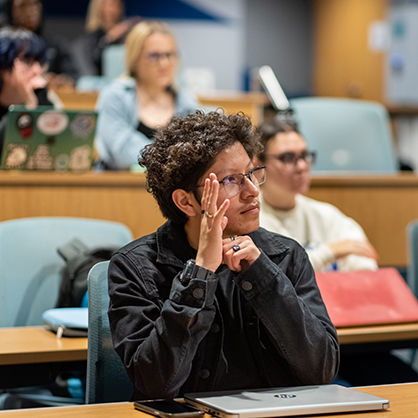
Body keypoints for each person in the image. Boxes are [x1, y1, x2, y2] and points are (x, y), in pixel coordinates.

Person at [107, 111, 339, 400]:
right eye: (231, 180)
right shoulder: (135, 267)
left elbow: (321, 369)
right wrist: (200, 274)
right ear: (186, 201)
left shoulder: (285, 255)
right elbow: (155, 383)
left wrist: (263, 275)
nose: (252, 191)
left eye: (252, 174)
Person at [256, 118, 378, 272]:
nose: (301, 166)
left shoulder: (326, 215)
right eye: (287, 158)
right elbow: (276, 276)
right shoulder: (248, 219)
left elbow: (365, 265)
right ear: (258, 165)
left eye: (305, 155)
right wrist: (330, 252)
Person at [94, 20, 198, 170]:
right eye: (154, 56)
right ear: (135, 59)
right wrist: (177, 156)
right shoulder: (115, 96)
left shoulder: (186, 101)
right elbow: (121, 153)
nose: (164, 63)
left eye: (169, 55)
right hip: (120, 189)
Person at [0, 27, 55, 159]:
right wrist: (27, 108)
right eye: (28, 61)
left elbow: (48, 153)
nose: (37, 70)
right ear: (4, 68)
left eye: (38, 62)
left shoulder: (41, 99)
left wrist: (32, 104)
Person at [3, 0, 79, 87]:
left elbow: (74, 78)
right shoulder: (4, 48)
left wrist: (61, 81)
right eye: (22, 6)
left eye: (35, 4)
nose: (31, 10)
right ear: (10, 10)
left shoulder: (56, 46)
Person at [80, 0, 140, 76]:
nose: (116, 9)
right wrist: (109, 38)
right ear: (100, 8)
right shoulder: (94, 37)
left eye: (118, 5)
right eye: (112, 4)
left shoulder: (125, 34)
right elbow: (94, 61)